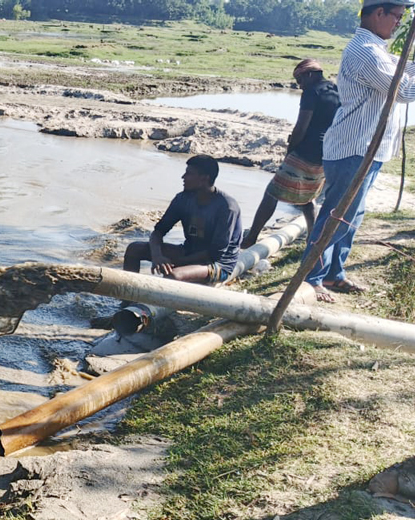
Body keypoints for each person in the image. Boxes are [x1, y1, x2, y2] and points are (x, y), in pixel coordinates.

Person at [304, 0, 415, 302]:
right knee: (337, 215)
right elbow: (404, 91)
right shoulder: (365, 52)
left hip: (369, 149)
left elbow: (404, 70)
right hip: (354, 148)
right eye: (397, 17)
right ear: (379, 13)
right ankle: (309, 279)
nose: (398, 23)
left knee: (352, 216)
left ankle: (333, 273)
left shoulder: (378, 50)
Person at [242, 59, 340, 249]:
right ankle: (312, 239)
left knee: (271, 193)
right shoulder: (335, 90)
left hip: (305, 151)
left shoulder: (312, 92)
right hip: (325, 153)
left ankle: (252, 237)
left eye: (299, 80)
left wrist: (290, 150)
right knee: (307, 197)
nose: (300, 86)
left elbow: (301, 126)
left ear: (310, 75)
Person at [123, 154, 242, 285]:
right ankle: (127, 300)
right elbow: (158, 232)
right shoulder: (182, 199)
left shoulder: (227, 207)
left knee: (173, 275)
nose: (183, 177)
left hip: (217, 264)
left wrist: (176, 263)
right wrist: (157, 256)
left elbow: (215, 253)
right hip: (189, 252)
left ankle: (159, 303)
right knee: (134, 249)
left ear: (204, 178)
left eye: (189, 174)